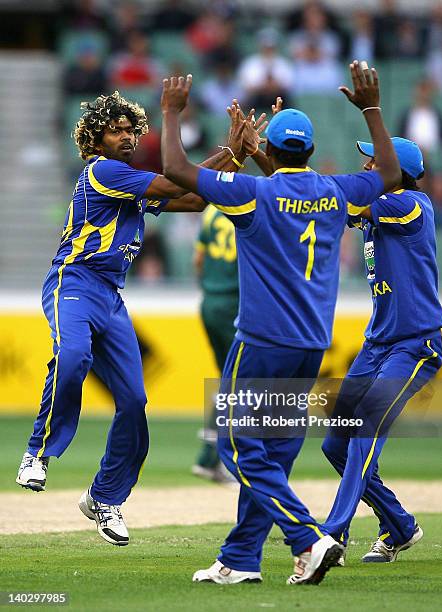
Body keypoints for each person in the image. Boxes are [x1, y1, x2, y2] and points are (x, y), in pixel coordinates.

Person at [159, 62, 401, 585]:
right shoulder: (337, 192)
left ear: (275, 150)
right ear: (310, 151)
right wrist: (372, 110)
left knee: (238, 449)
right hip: (310, 344)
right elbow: (389, 173)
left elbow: (177, 171)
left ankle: (307, 537)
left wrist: (173, 113)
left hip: (262, 342)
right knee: (273, 453)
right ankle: (241, 559)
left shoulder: (254, 194)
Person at [16, 90, 252, 546]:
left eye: (130, 131)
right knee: (73, 355)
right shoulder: (103, 172)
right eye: (115, 131)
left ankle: (104, 497)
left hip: (110, 297)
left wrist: (238, 154)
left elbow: (194, 200)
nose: (125, 137)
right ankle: (37, 453)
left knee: (134, 402)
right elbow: (172, 183)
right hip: (74, 282)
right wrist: (226, 149)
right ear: (95, 139)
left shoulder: (128, 182)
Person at [321, 137, 442, 563]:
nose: (367, 164)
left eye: (375, 159)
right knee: (335, 444)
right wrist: (275, 163)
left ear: (398, 170)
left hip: (415, 344)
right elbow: (312, 201)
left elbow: (334, 197)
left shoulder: (410, 203)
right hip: (378, 343)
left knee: (365, 428)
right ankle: (399, 525)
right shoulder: (379, 206)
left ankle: (331, 534)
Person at [192, 206, 239, 483]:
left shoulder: (210, 210)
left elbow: (198, 259)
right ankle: (218, 457)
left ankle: (210, 457)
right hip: (236, 303)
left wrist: (210, 287)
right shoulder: (251, 201)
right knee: (242, 381)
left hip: (210, 302)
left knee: (230, 380)